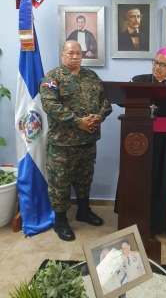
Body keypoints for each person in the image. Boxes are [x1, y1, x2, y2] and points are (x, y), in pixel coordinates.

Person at [115, 48, 166, 242]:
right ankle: (137, 220)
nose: (156, 67)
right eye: (155, 63)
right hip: (142, 138)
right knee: (139, 178)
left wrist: (165, 101)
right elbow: (123, 101)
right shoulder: (139, 80)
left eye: (162, 65)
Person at [39, 40, 112, 241]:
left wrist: (99, 116)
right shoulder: (52, 78)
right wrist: (78, 122)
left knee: (84, 179)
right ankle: (60, 221)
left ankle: (83, 211)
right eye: (70, 53)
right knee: (60, 183)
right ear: (62, 55)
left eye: (78, 53)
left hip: (87, 141)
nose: (74, 57)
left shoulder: (92, 77)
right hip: (62, 144)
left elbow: (105, 104)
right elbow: (51, 107)